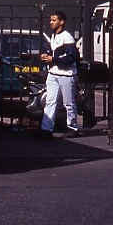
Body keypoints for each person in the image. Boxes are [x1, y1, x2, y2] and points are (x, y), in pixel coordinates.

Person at [36, 11, 79, 140]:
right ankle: (46, 128)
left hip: (66, 74)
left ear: (61, 22)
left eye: (54, 20)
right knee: (50, 101)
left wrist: (52, 59)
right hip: (53, 73)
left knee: (68, 102)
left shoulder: (67, 38)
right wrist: (47, 57)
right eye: (51, 20)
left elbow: (71, 58)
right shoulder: (53, 36)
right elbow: (56, 54)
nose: (51, 22)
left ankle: (72, 127)